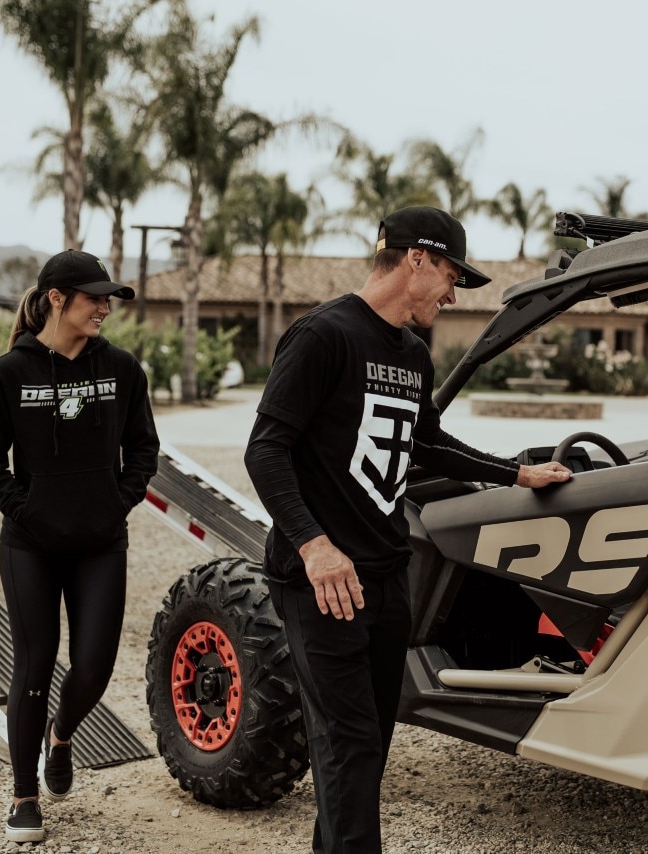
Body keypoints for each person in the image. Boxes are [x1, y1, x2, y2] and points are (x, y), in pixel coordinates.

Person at [245, 206, 571, 853]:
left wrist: (517, 474)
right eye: (452, 276)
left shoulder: (412, 355)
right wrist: (314, 546)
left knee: (367, 745)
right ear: (416, 258)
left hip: (388, 576)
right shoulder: (324, 335)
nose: (453, 295)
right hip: (324, 583)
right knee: (350, 744)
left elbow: (428, 444)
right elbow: (266, 449)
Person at [0, 249, 159, 843]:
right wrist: (29, 511)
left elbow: (144, 449)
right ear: (57, 298)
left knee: (95, 667)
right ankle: (24, 796)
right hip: (31, 546)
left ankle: (62, 734)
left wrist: (116, 503)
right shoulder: (8, 374)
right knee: (33, 666)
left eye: (108, 299)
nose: (104, 308)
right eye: (94, 298)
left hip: (101, 543)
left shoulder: (121, 368)